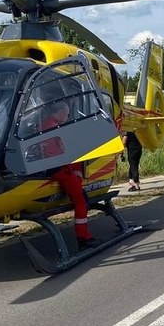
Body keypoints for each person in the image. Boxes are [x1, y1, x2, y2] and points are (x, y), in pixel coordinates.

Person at [40, 101, 101, 250]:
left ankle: (84, 236)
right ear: (59, 113)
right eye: (66, 114)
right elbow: (62, 153)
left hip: (54, 168)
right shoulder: (55, 128)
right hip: (60, 170)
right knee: (81, 202)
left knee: (82, 198)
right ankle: (83, 238)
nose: (67, 117)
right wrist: (75, 169)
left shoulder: (44, 124)